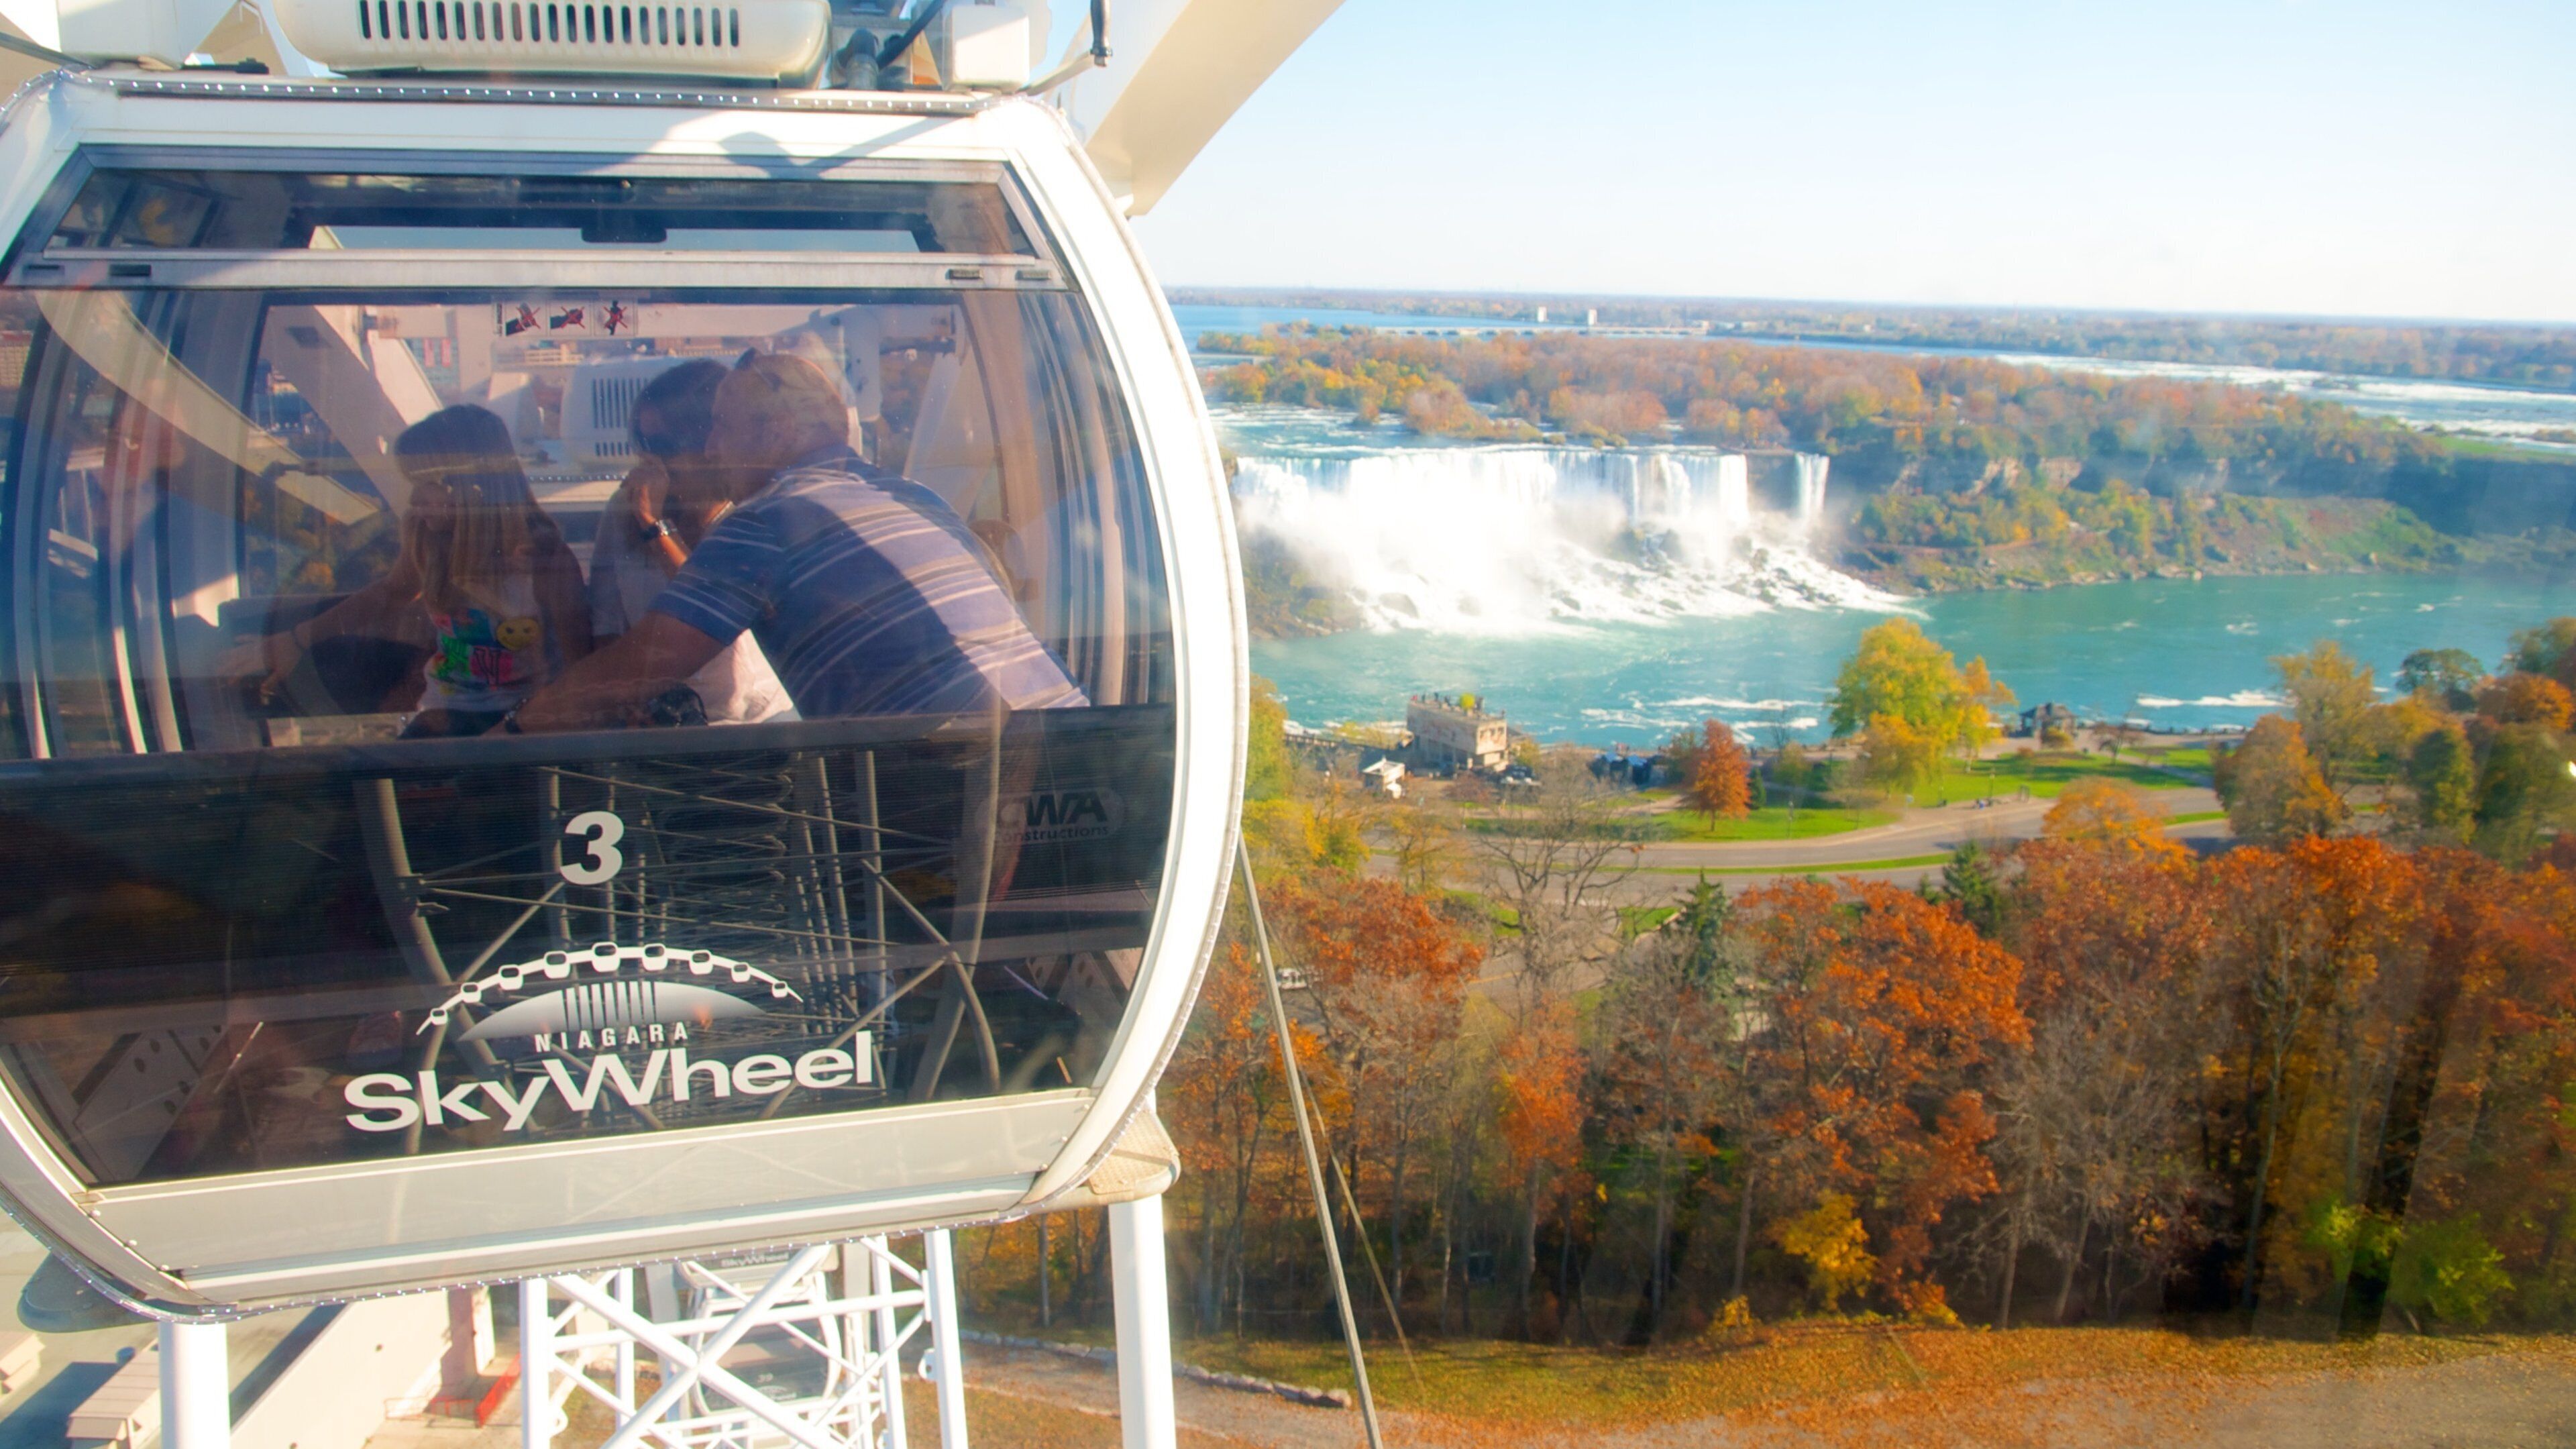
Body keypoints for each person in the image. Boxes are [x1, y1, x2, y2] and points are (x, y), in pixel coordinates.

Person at [513, 352, 1081, 733]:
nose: (711, 449)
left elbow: (644, 665)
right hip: (1066, 744)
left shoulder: (769, 520)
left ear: (778, 431)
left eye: (721, 428)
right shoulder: (909, 493)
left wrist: (515, 728)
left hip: (963, 774)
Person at [233, 404, 591, 737]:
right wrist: (299, 639)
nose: (415, 501)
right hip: (444, 716)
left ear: (473, 488)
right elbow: (388, 594)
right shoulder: (430, 541)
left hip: (523, 728)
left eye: (427, 484)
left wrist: (512, 732)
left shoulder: (544, 562)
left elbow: (579, 673)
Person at [589, 359, 794, 724]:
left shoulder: (748, 515)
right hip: (657, 722)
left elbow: (717, 613)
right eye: (644, 443)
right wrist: (623, 701)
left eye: (665, 445)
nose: (653, 459)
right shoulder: (625, 514)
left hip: (753, 722)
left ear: (707, 442)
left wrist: (656, 528)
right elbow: (606, 622)